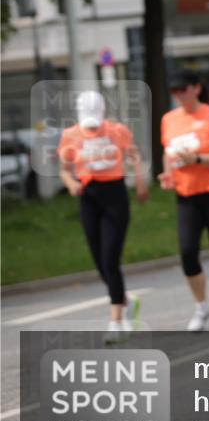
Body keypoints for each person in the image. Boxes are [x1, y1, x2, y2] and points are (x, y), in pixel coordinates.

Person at [58, 90, 148, 343]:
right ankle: (125, 302)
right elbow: (64, 169)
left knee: (110, 259)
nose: (93, 127)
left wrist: (140, 179)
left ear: (103, 113)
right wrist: (70, 184)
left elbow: (133, 154)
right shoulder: (70, 135)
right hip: (88, 197)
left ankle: (116, 321)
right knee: (100, 262)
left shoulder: (117, 131)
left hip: (114, 196)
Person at [158, 69, 209, 331]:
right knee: (188, 252)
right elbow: (167, 153)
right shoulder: (169, 119)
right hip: (187, 196)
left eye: (183, 89)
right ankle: (201, 307)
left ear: (196, 88)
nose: (179, 95)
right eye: (174, 91)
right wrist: (167, 175)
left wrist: (199, 160)